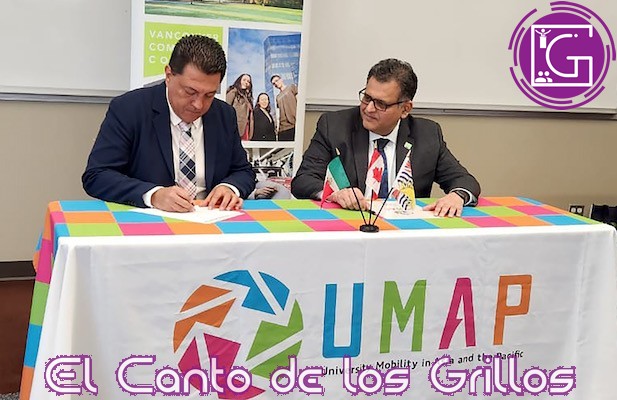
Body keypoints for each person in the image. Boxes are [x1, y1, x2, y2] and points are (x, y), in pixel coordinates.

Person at [82, 35, 256, 212]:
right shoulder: (129, 109)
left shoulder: (224, 115)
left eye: (209, 95)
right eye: (190, 92)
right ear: (168, 75)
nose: (198, 104)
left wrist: (229, 187)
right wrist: (153, 195)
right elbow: (97, 175)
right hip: (149, 221)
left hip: (210, 219)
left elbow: (243, 171)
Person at [291, 58, 480, 217]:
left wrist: (457, 196)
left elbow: (464, 180)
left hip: (405, 231)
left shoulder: (427, 134)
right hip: (349, 227)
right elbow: (303, 180)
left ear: (405, 109)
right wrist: (336, 194)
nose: (368, 109)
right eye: (367, 98)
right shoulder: (334, 126)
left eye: (381, 104)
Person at [226, 73, 254, 140]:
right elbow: (226, 109)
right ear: (239, 81)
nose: (246, 82)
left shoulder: (248, 98)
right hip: (235, 127)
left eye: (248, 81)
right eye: (244, 80)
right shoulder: (233, 92)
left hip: (245, 128)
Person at [270, 74, 298, 141]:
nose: (276, 84)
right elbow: (278, 113)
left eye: (276, 81)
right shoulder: (277, 97)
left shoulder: (291, 87)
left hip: (294, 124)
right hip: (283, 127)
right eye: (274, 83)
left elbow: (299, 102)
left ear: (281, 79)